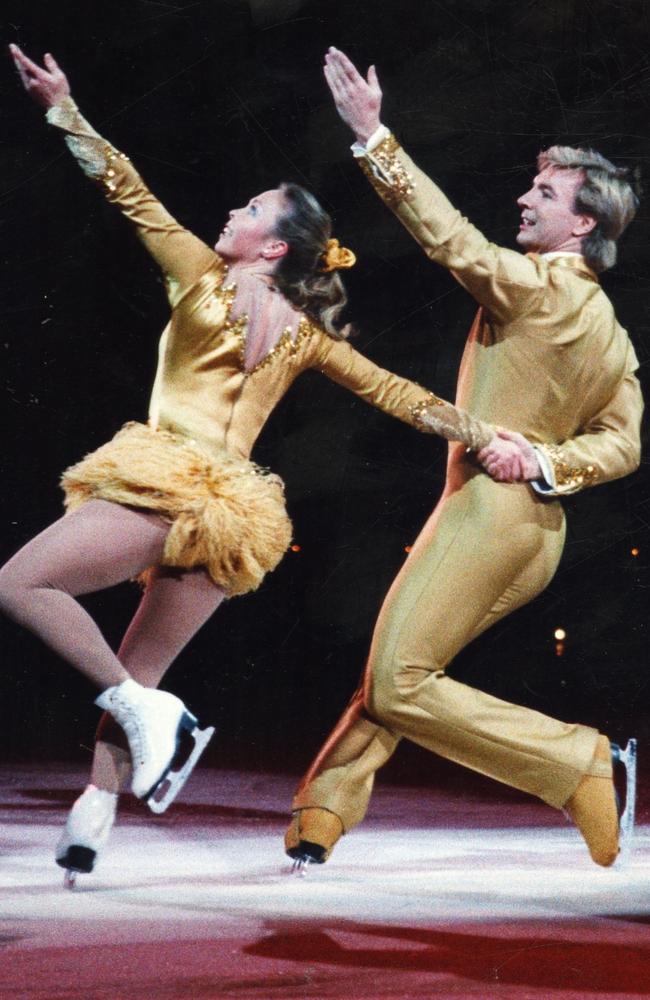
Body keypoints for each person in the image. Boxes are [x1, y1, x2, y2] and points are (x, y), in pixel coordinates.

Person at [3, 45, 498, 886]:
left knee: (21, 586)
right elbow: (396, 393)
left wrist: (63, 108)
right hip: (234, 516)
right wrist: (485, 433)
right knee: (144, 667)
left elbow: (126, 189)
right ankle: (93, 815)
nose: (235, 209)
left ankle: (146, 718)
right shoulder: (305, 333)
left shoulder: (205, 277)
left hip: (166, 483)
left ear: (271, 248)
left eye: (253, 207)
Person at [285, 47, 643, 872]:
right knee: (403, 661)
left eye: (545, 193)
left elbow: (449, 240)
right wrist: (552, 463)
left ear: (582, 224)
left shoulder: (537, 286)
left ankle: (577, 761)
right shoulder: (613, 335)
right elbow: (624, 443)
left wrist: (374, 137)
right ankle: (323, 811)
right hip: (537, 536)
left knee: (400, 678)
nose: (525, 197)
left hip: (486, 516)